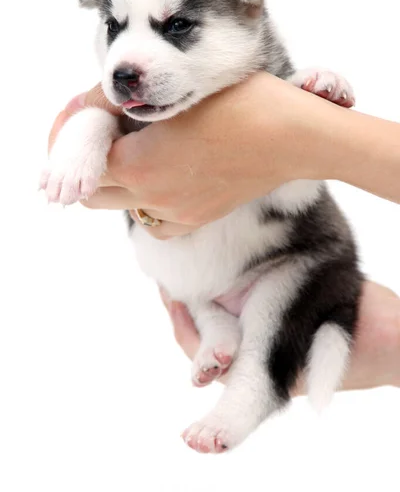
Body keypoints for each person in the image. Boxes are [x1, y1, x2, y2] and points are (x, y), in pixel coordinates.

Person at [48, 71, 400, 394]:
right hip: (205, 282)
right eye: (113, 26)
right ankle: (214, 320)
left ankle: (215, 321)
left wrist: (306, 129)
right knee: (197, 297)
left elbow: (296, 193)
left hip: (264, 261)